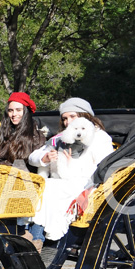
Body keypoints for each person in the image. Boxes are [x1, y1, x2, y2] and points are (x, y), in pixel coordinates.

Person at [25, 97, 114, 249]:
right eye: (65, 118)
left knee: (49, 188)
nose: (68, 122)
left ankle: (37, 238)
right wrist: (45, 158)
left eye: (72, 116)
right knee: (36, 186)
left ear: (85, 115)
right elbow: (32, 157)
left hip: (83, 184)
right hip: (57, 182)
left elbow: (104, 167)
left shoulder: (100, 138)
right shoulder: (60, 138)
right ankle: (28, 234)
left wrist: (71, 166)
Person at [0, 92, 45, 167]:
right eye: (10, 110)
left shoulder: (36, 137)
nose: (14, 114)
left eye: (18, 110)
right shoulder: (0, 133)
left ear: (26, 112)